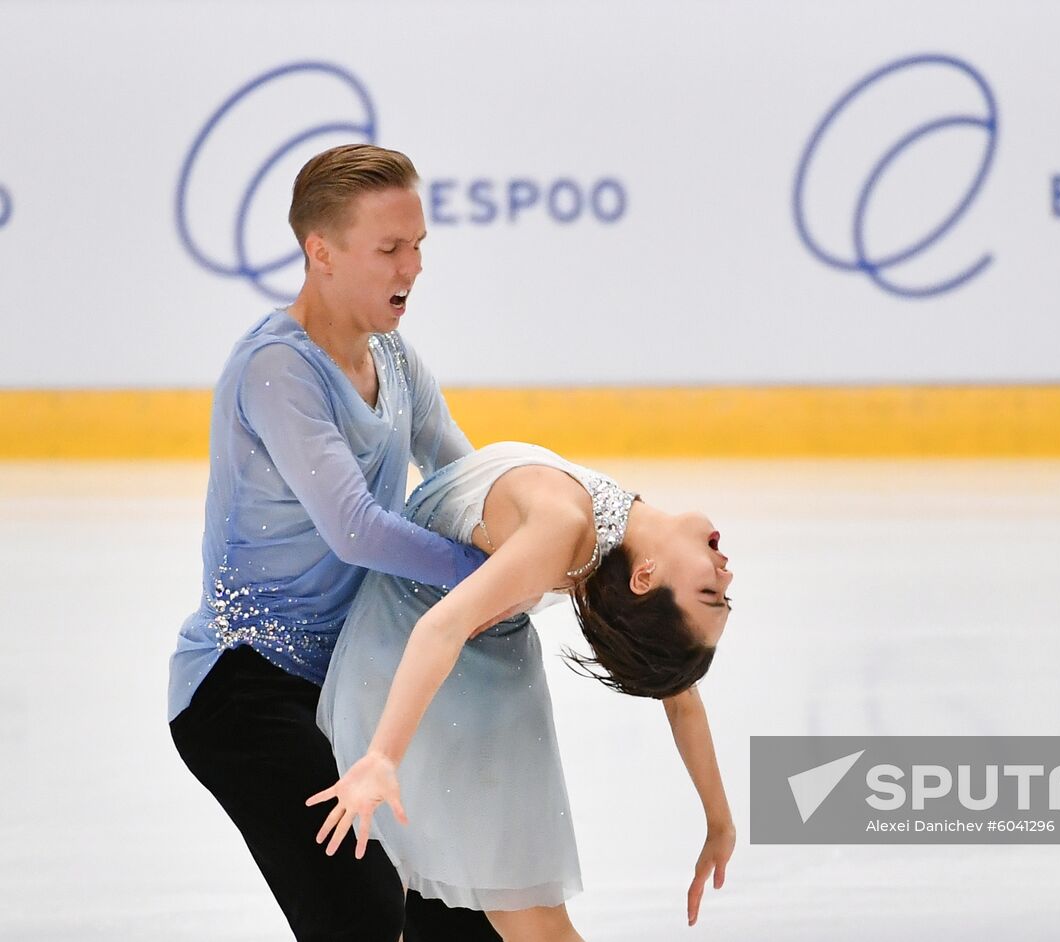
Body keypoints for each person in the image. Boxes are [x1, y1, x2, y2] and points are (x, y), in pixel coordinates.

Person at [167, 143, 504, 941]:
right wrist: (487, 573)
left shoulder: (394, 357)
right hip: (244, 692)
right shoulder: (277, 369)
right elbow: (355, 530)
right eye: (390, 248)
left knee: (457, 905)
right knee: (361, 916)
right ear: (321, 252)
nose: (413, 266)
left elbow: (464, 480)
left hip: (348, 687)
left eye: (418, 245)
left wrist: (548, 535)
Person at [309, 441, 737, 941]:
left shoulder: (575, 532)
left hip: (445, 652)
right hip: (413, 652)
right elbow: (439, 629)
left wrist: (719, 822)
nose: (724, 571)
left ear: (645, 578)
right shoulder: (593, 536)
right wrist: (383, 756)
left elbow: (679, 692)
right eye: (720, 594)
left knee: (531, 918)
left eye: (711, 592)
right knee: (433, 907)